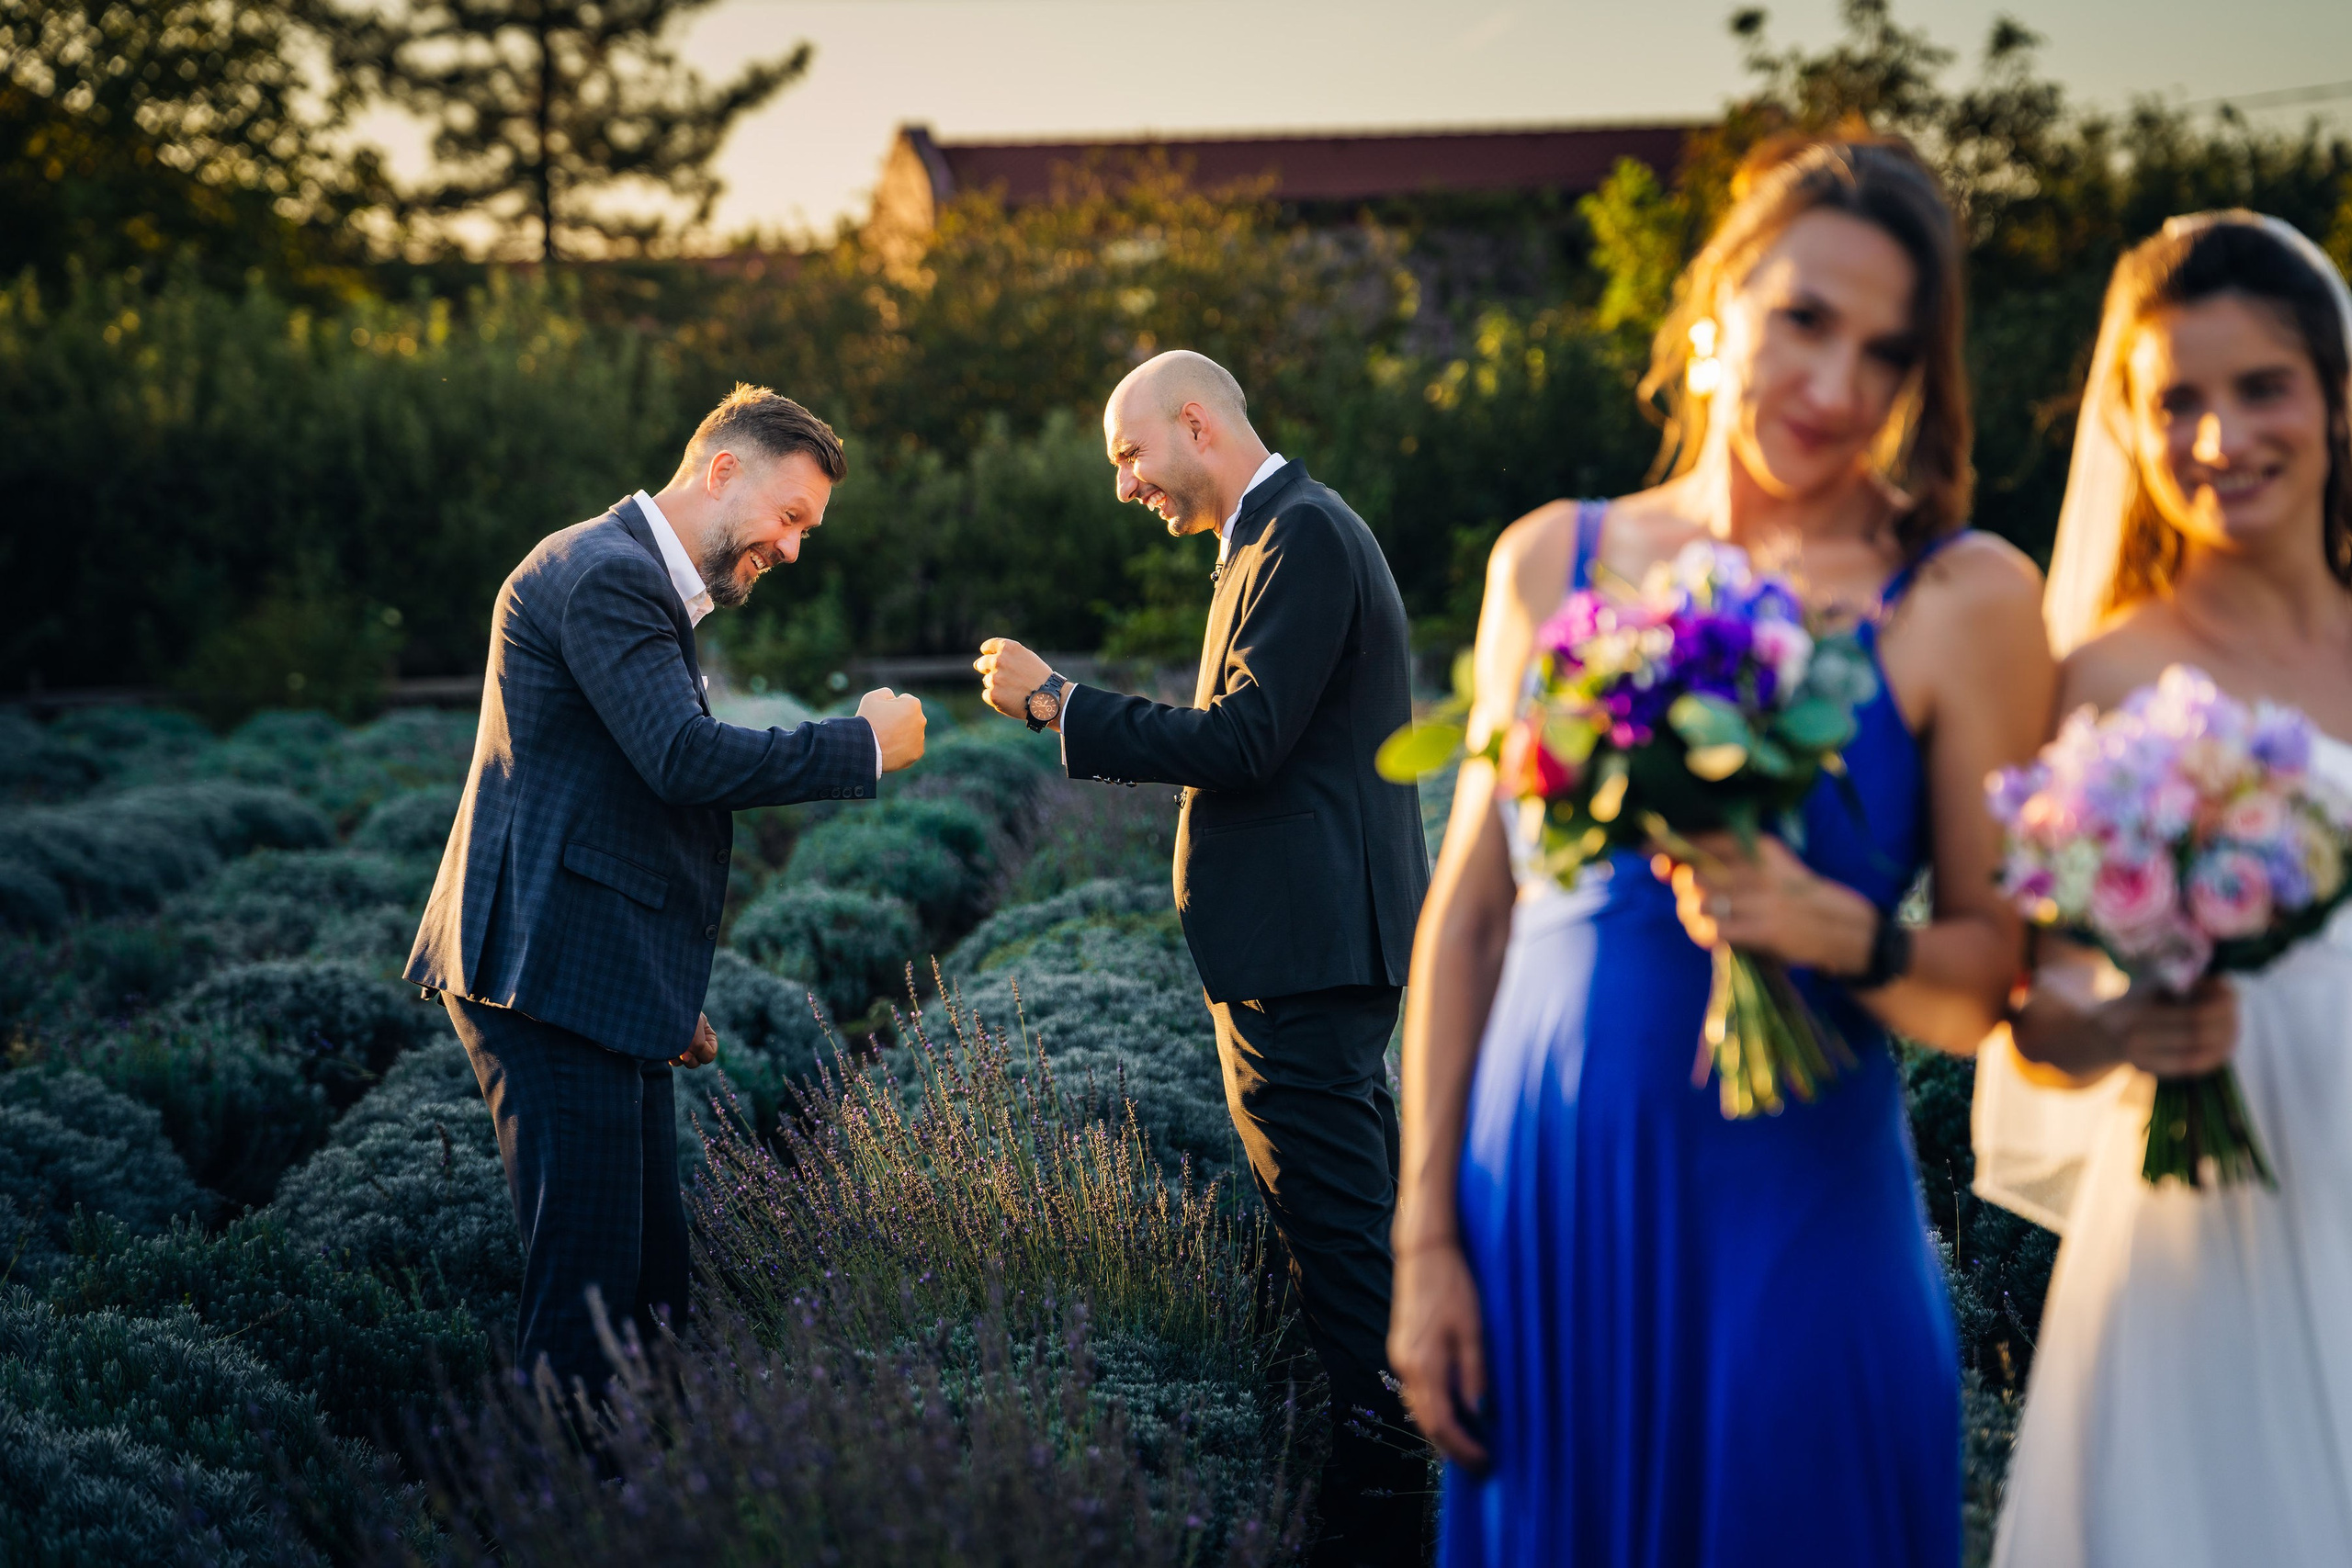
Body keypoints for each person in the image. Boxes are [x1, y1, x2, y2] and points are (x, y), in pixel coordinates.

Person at [1386, 138, 2054, 1566]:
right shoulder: (1547, 562)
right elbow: (1471, 920)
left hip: (1800, 1228)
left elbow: (1987, 982)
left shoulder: (1963, 597)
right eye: (1805, 318)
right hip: (1547, 1214)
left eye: (1887, 353)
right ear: (1717, 303)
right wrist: (1426, 1239)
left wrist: (1845, 932)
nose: (1836, 387)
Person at [974, 350, 1433, 1568]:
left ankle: (1387, 1509)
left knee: (1343, 1254)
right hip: (1301, 945)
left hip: (1309, 953)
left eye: (1130, 453)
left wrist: (1055, 703)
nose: (1125, 482)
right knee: (1343, 1236)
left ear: (1195, 421)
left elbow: (1244, 740)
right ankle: (1389, 1478)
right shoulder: (1269, 534)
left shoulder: (1305, 535)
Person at [405, 384, 928, 1399]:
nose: (792, 549)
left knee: (648, 1281)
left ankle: (644, 1487)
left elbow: (617, 802)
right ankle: (581, 1510)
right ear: (722, 468)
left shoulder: (629, 577)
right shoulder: (607, 574)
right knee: (592, 1297)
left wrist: (655, 995)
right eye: (790, 518)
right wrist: (862, 744)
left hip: (590, 977)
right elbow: (681, 762)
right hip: (544, 982)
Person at [1982, 214, 2352, 1567]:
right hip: (2206, 1219)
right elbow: (2049, 1000)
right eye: (2176, 399)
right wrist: (2125, 1025)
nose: (2218, 437)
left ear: (2335, 395)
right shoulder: (2107, 675)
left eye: (2262, 387)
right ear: (2128, 423)